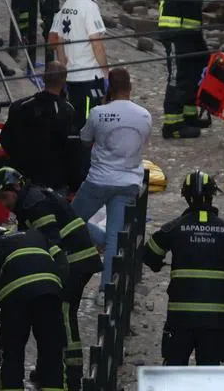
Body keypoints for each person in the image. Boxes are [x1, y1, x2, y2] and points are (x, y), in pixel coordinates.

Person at [0, 167, 102, 391]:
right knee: (52, 317)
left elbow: (50, 242)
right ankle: (47, 371)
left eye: (4, 196)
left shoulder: (34, 205)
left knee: (63, 315)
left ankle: (72, 377)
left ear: (16, 187)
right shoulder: (29, 202)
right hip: (73, 260)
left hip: (74, 262)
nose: (4, 204)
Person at [142, 171, 224, 366]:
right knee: (209, 378)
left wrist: (159, 264)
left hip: (179, 319)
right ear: (212, 195)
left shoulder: (174, 228)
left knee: (173, 375)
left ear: (186, 197)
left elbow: (149, 255)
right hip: (214, 322)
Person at [72, 67, 152, 306]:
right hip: (128, 182)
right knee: (115, 240)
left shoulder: (98, 113)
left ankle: (99, 239)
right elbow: (143, 142)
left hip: (98, 180)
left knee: (70, 220)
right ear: (130, 88)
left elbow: (85, 141)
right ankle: (105, 292)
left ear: (109, 88)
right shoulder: (144, 115)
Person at [0, 227, 68, 391]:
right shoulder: (37, 235)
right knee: (53, 357)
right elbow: (62, 261)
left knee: (12, 357)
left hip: (15, 297)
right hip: (49, 293)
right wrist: (56, 290)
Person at [49, 0, 109, 186]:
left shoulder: (67, 4)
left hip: (71, 80)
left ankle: (72, 175)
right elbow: (97, 43)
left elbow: (55, 39)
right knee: (87, 132)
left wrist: (63, 65)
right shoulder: (89, 6)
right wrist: (106, 73)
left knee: (73, 129)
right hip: (87, 81)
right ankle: (83, 179)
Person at [157, 0, 210, 140]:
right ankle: (172, 125)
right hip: (174, 32)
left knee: (194, 73)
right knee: (177, 77)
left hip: (191, 33)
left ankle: (189, 117)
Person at [0, 60, 80, 195]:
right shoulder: (68, 112)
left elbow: (6, 139)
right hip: (54, 183)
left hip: (23, 178)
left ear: (43, 78)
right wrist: (74, 183)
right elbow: (73, 153)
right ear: (64, 81)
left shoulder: (21, 106)